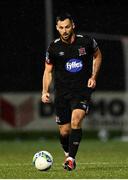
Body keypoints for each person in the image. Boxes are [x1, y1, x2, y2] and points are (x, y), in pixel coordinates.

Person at [41, 12, 102, 171]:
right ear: (57, 28)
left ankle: (70, 159)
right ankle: (68, 151)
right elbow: (48, 71)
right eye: (61, 28)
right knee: (64, 131)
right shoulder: (53, 47)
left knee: (76, 119)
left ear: (73, 25)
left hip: (82, 91)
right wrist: (44, 91)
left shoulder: (86, 41)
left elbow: (97, 55)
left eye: (67, 27)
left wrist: (93, 76)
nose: (65, 30)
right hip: (61, 93)